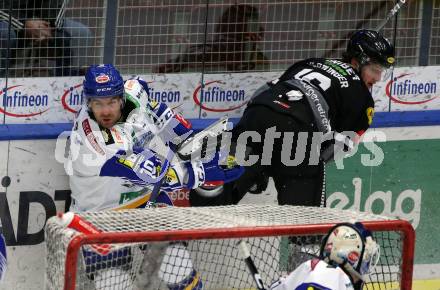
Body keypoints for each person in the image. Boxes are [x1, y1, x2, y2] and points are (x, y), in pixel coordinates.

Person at [65, 64, 242, 289]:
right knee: (113, 282)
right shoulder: (98, 141)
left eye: (111, 102)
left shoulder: (134, 92)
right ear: (88, 102)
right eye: (98, 104)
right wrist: (202, 172)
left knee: (176, 264)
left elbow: (151, 102)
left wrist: (185, 137)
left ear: (121, 98)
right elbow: (156, 173)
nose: (106, 111)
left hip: (145, 199)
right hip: (101, 214)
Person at [190, 29, 395, 207]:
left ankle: (178, 244)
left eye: (381, 72)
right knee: (307, 228)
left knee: (214, 198)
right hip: (299, 131)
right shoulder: (363, 98)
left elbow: (262, 94)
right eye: (375, 70)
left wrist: (260, 160)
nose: (377, 78)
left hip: (259, 114)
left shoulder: (310, 62)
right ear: (355, 61)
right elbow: (336, 149)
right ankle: (306, 249)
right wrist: (287, 164)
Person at [153, 4, 268, 73]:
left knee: (191, 54)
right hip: (226, 45)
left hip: (228, 47)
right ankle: (170, 67)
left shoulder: (243, 40)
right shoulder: (235, 23)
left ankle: (170, 67)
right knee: (192, 53)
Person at [269, 222, 380, 290]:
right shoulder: (330, 278)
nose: (367, 263)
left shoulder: (312, 267)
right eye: (366, 257)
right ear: (351, 256)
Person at [0, 0, 92, 77]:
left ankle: (65, 88)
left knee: (82, 33)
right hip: (7, 19)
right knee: (4, 33)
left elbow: (57, 6)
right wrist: (24, 24)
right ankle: (2, 86)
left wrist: (46, 27)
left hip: (42, 22)